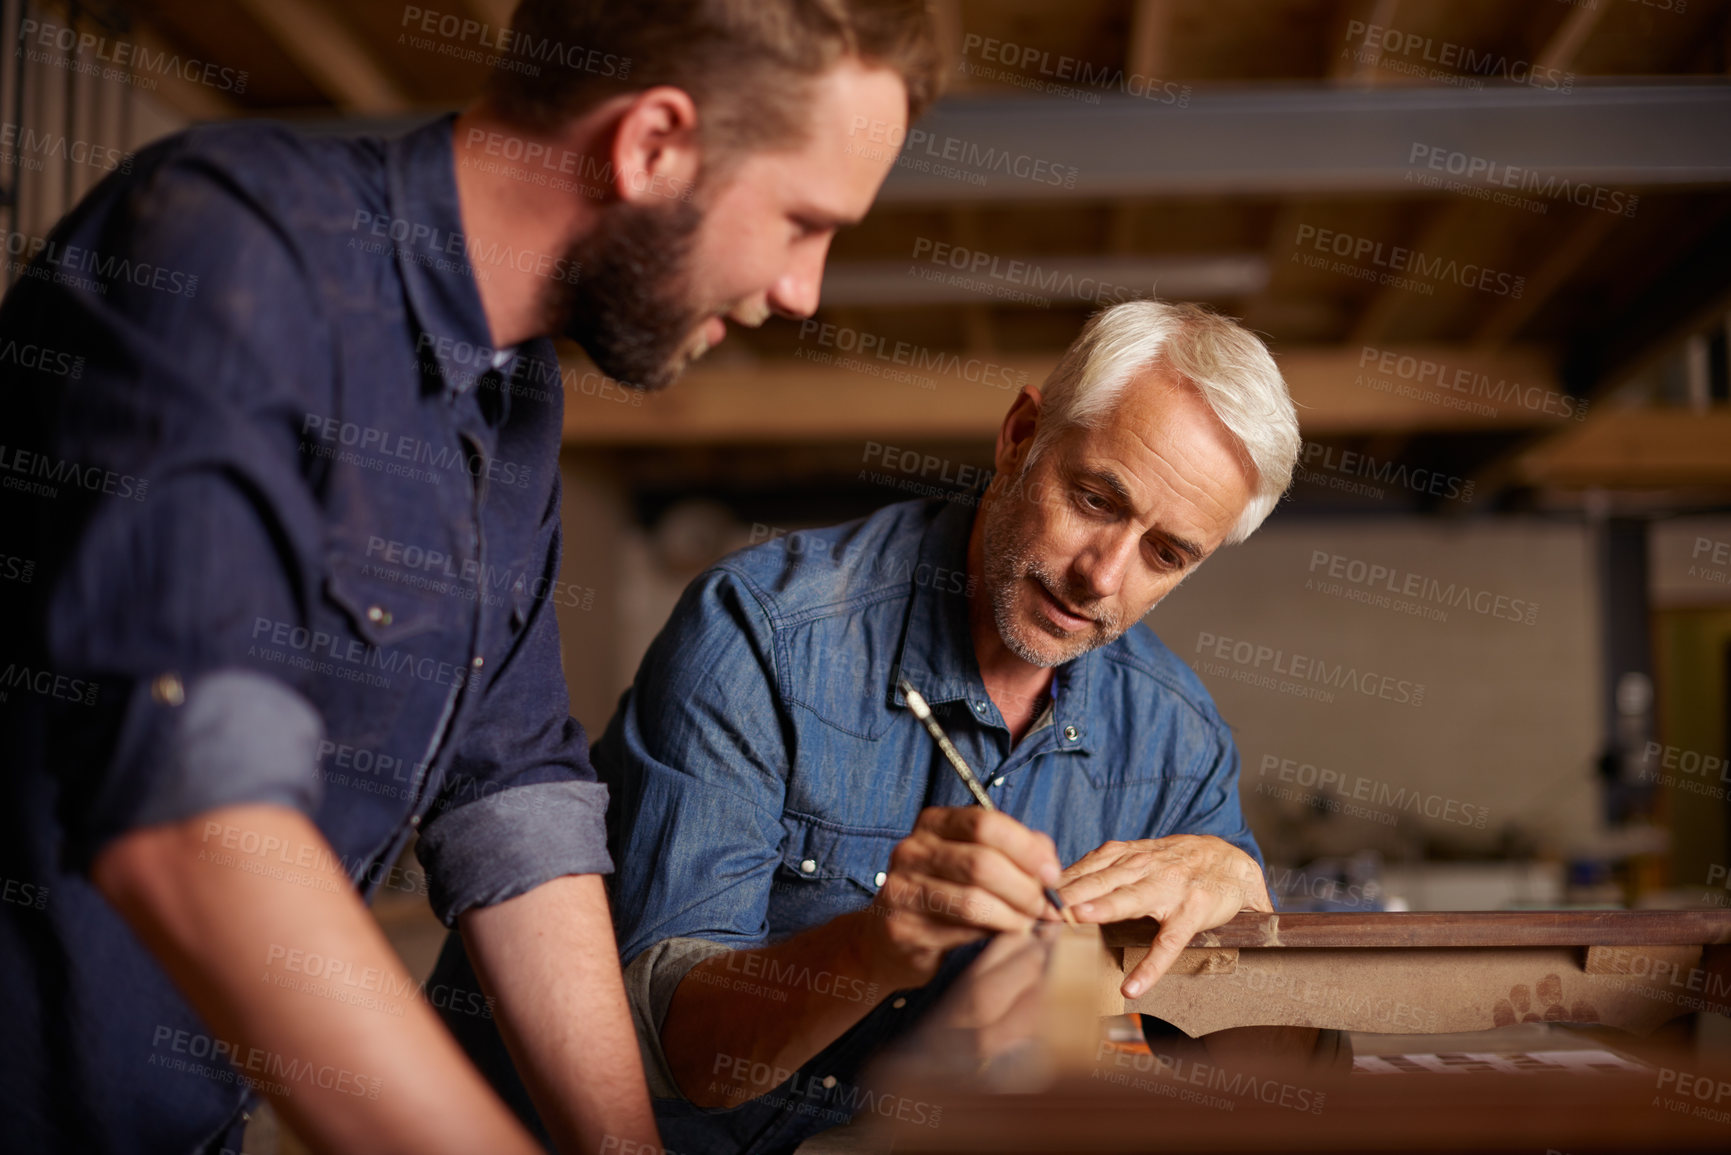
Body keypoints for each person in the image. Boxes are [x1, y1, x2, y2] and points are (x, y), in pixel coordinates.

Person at [0, 2, 939, 1152]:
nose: (803, 292)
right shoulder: (227, 247)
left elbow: (511, 794)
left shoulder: (514, 393)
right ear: (651, 144)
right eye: (803, 221)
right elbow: (192, 817)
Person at [431, 299, 1303, 1152]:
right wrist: (875, 944)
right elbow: (682, 1052)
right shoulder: (762, 632)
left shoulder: (1174, 736)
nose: (1100, 577)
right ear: (1019, 435)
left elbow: (1257, 1085)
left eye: (1164, 554)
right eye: (1096, 500)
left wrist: (1244, 899)